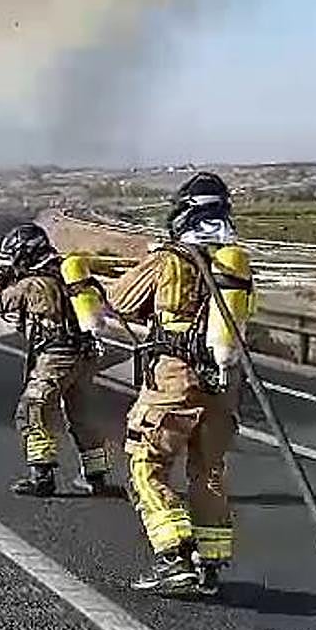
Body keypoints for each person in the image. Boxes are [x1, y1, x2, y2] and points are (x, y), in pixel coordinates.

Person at [106, 172, 256, 596]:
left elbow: (119, 300)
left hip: (174, 383)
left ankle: (174, 560)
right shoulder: (235, 266)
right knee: (208, 473)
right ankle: (209, 567)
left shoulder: (168, 260)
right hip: (223, 388)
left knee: (145, 464)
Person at [0, 223, 114, 497]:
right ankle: (96, 477)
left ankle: (41, 476)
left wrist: (1, 279)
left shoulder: (33, 283)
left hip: (56, 356)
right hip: (85, 354)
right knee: (82, 415)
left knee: (34, 408)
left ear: (24, 254)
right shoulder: (66, 275)